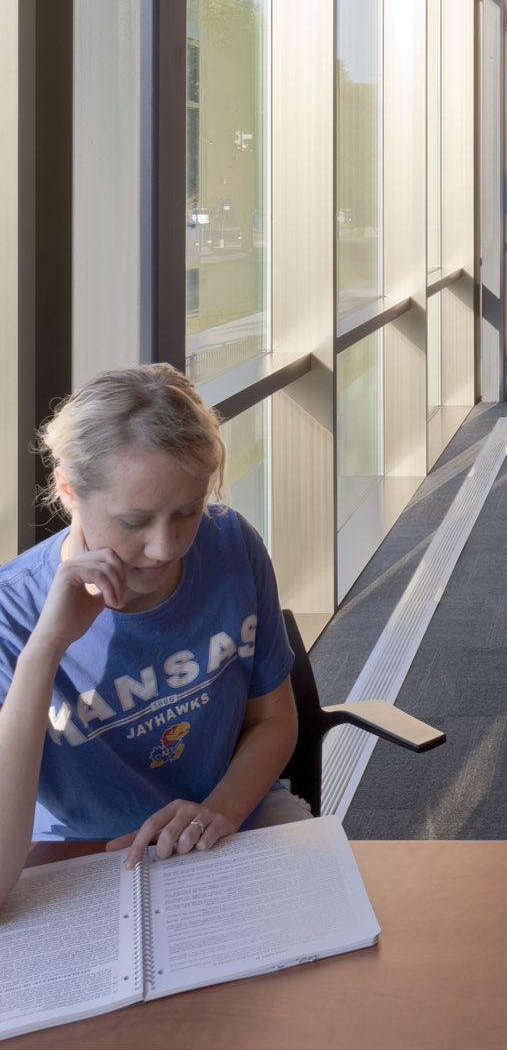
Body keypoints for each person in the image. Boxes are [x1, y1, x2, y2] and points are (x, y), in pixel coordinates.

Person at [0, 364, 303, 908]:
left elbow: (274, 718)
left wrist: (221, 809)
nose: (166, 548)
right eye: (135, 522)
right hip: (78, 864)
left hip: (224, 824)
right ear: (67, 491)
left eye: (186, 511)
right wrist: (46, 647)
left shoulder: (231, 542)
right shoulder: (10, 613)